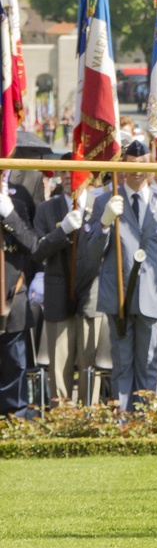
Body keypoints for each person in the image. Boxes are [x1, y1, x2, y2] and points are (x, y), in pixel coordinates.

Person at [75, 139, 157, 411]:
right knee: (121, 365)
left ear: (151, 165)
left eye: (142, 165)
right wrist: (105, 222)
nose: (136, 171)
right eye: (130, 165)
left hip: (151, 296)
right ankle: (123, 423)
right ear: (121, 166)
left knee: (148, 363)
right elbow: (90, 254)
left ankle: (145, 422)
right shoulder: (106, 202)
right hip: (118, 296)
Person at [18, 169, 106, 403]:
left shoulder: (100, 205)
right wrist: (62, 230)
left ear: (88, 176)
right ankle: (62, 420)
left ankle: (89, 416)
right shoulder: (47, 209)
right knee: (60, 361)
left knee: (89, 361)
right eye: (65, 173)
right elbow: (37, 251)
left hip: (91, 289)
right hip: (58, 289)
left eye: (75, 172)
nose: (69, 177)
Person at [0, 170, 38, 416]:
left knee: (15, 366)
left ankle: (16, 422)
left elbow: (32, 244)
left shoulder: (19, 206)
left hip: (11, 299)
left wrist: (8, 214)